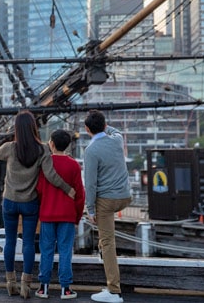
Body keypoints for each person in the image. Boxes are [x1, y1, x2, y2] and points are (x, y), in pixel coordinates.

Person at [0, 110, 76, 299]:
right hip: (30, 203)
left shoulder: (10, 147)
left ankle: (10, 282)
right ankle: (25, 285)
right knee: (29, 243)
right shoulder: (42, 149)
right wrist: (67, 189)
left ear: (16, 129)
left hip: (10, 202)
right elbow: (51, 175)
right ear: (33, 127)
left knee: (10, 241)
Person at [83, 110, 132, 303]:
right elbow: (114, 130)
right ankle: (102, 252)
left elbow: (91, 184)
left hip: (106, 200)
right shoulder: (117, 139)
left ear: (87, 129)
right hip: (125, 197)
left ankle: (114, 291)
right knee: (105, 239)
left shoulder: (91, 151)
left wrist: (90, 209)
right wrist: (103, 124)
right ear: (105, 126)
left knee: (108, 242)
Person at [35, 129, 85, 300]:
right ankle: (65, 289)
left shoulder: (46, 163)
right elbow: (80, 194)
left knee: (46, 250)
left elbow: (39, 189)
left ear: (52, 144)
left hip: (48, 213)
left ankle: (44, 288)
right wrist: (77, 217)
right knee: (65, 251)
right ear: (68, 145)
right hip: (67, 215)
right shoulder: (74, 165)